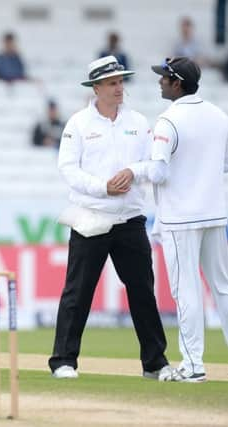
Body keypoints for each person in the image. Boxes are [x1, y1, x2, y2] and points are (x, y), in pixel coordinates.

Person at [48, 56, 172, 380]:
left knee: (143, 291)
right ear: (97, 87)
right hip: (91, 217)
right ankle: (63, 361)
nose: (119, 88)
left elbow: (153, 165)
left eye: (121, 81)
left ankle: (155, 364)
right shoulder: (78, 124)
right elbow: (68, 169)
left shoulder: (139, 121)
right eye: (113, 83)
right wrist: (103, 188)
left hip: (130, 218)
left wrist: (133, 172)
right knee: (78, 292)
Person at [137, 56, 228, 382]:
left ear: (177, 83)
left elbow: (159, 172)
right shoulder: (219, 115)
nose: (160, 82)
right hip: (215, 213)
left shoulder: (168, 120)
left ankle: (193, 366)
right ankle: (194, 363)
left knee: (186, 288)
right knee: (223, 287)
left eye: (164, 78)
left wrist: (135, 169)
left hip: (180, 219)